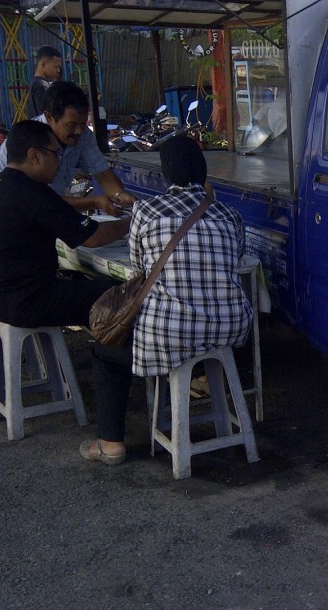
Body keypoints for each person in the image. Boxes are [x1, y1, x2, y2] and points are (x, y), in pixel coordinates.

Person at [80, 135, 253, 466]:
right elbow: (237, 257)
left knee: (105, 352)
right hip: (229, 329)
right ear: (204, 171)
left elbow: (139, 268)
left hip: (169, 334)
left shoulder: (146, 210)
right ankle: (205, 384)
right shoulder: (230, 215)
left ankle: (110, 443)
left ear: (165, 173)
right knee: (194, 334)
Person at [0, 119, 129, 329]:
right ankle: (118, 358)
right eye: (55, 154)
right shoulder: (33, 193)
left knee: (83, 284)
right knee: (121, 294)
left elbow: (55, 212)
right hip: (26, 302)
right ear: (34, 155)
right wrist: (134, 221)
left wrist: (95, 203)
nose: (60, 162)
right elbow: (94, 237)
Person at [0, 81, 137, 217]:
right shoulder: (28, 141)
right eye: (71, 125)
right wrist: (95, 202)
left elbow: (102, 172)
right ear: (50, 117)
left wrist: (119, 194)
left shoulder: (84, 136)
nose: (79, 131)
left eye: (83, 123)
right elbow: (42, 200)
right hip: (9, 214)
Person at [29, 45, 63, 118]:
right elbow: (47, 117)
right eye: (56, 67)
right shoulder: (42, 86)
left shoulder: (37, 82)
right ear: (43, 64)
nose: (58, 70)